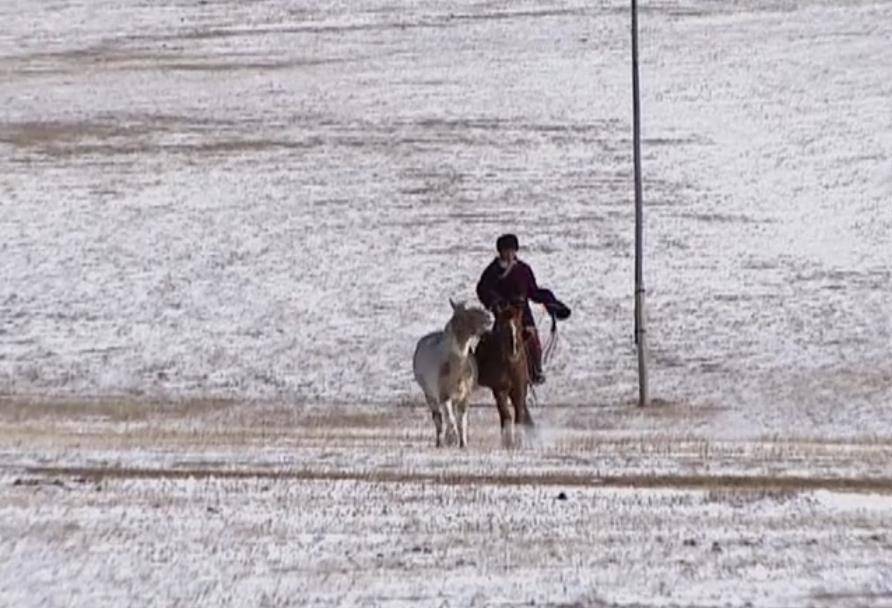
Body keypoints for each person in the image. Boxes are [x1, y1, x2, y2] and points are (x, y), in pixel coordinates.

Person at [476, 233, 570, 384]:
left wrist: (551, 302)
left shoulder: (524, 269)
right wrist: (495, 302)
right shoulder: (492, 271)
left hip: (523, 315)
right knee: (490, 343)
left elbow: (533, 291)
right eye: (506, 250)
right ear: (500, 252)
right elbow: (482, 289)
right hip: (503, 316)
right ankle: (482, 373)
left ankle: (536, 371)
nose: (510, 254)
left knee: (533, 340)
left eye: (512, 250)